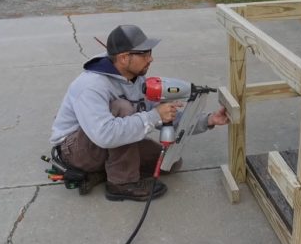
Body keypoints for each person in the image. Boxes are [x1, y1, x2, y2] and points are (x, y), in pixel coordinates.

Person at [50, 24, 229, 201]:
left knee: (170, 164)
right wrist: (154, 116)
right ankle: (121, 183)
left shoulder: (136, 78)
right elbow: (104, 135)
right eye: (144, 54)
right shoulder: (91, 86)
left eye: (149, 53)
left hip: (103, 142)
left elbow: (162, 114)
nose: (151, 59)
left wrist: (209, 120)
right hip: (75, 150)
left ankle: (99, 172)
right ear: (124, 58)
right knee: (123, 108)